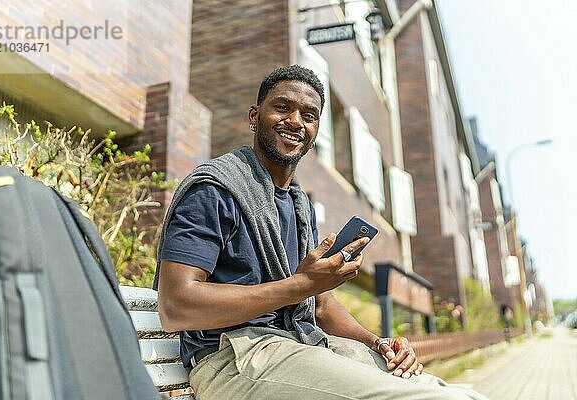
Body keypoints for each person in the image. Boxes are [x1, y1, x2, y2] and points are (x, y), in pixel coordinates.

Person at [154, 65, 488, 400]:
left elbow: (321, 305)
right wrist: (302, 285)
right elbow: (175, 306)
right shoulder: (215, 190)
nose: (296, 121)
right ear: (255, 116)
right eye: (283, 108)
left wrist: (377, 343)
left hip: (297, 345)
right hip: (234, 359)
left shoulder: (299, 205)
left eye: (309, 115)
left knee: (458, 393)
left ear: (315, 131)